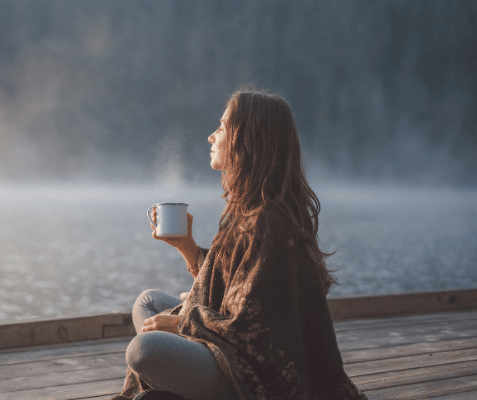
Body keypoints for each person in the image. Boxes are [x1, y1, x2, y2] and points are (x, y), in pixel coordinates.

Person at [113, 88, 367, 400]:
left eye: (221, 127)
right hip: (227, 348)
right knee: (149, 303)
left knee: (144, 349)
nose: (211, 136)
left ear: (246, 141)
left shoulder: (270, 223)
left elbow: (252, 330)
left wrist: (183, 324)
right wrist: (187, 247)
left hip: (257, 378)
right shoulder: (250, 209)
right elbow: (231, 290)